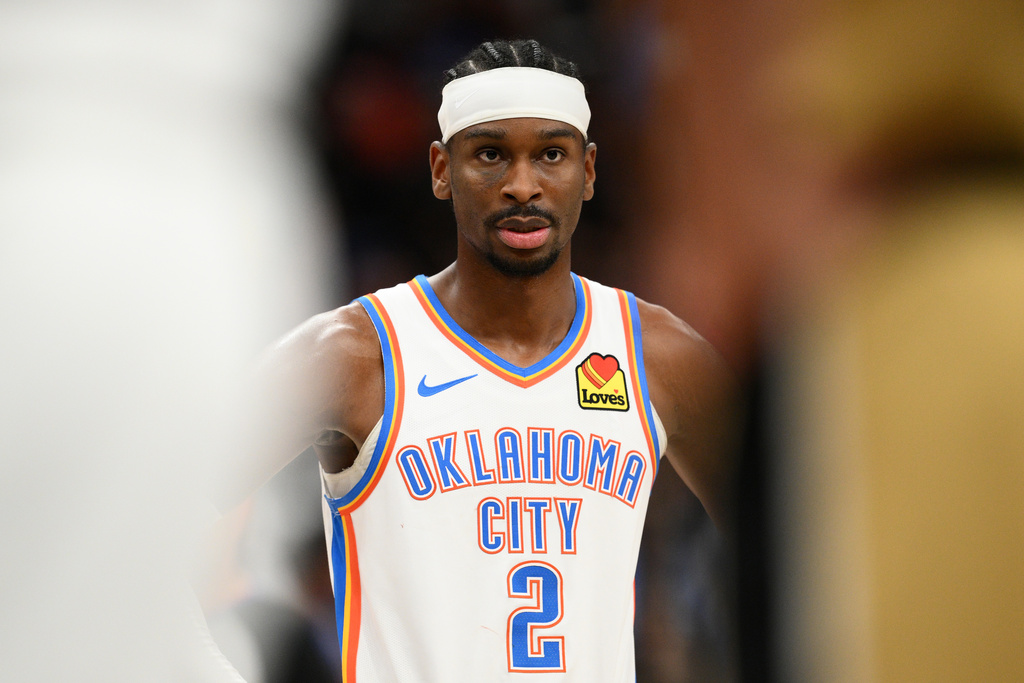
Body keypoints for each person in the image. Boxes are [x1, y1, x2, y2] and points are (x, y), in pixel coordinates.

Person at [234, 39, 736, 681]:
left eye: (550, 154)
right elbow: (157, 506)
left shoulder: (653, 354)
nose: (522, 186)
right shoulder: (357, 352)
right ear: (442, 169)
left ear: (587, 171)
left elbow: (806, 531)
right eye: (491, 155)